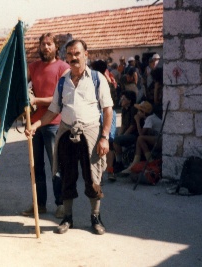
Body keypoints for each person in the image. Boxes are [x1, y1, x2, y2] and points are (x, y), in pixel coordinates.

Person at [26, 39, 113, 235]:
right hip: (66, 133)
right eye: (70, 54)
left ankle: (96, 217)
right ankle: (68, 218)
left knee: (93, 177)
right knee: (66, 176)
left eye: (77, 54)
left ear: (86, 55)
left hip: (90, 133)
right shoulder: (63, 81)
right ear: (66, 56)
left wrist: (104, 137)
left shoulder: (97, 79)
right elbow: (53, 110)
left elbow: (108, 110)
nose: (74, 58)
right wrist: (36, 125)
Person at [20, 33, 69, 219]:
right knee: (36, 167)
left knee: (56, 167)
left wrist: (36, 99)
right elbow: (21, 86)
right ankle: (39, 204)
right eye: (43, 44)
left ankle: (61, 204)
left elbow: (61, 98)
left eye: (49, 44)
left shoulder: (63, 68)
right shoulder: (33, 67)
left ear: (56, 47)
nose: (46, 47)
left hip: (55, 124)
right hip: (34, 124)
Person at [120, 101, 162, 174]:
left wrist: (137, 121)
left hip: (161, 140)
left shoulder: (150, 119)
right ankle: (134, 163)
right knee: (140, 141)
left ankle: (150, 161)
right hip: (157, 139)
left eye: (139, 110)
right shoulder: (149, 118)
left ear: (144, 112)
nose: (137, 112)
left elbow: (141, 134)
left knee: (140, 138)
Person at [112, 90, 138, 174]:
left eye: (124, 98)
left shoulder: (133, 109)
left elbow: (132, 126)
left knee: (117, 140)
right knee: (112, 138)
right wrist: (119, 134)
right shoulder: (124, 110)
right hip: (126, 132)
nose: (121, 99)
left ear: (129, 101)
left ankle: (119, 163)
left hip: (133, 134)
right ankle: (114, 161)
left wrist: (122, 136)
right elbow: (123, 125)